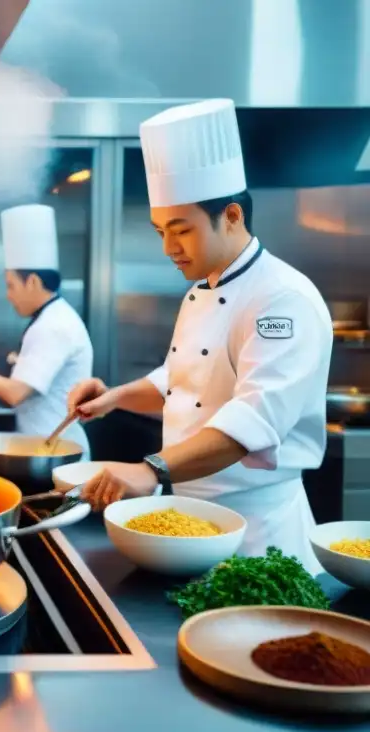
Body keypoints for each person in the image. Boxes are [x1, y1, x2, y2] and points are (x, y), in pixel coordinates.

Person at [68, 99, 332, 573]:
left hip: (258, 537)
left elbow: (253, 422)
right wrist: (115, 397)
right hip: (191, 525)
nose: (169, 247)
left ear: (231, 215)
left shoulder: (282, 299)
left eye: (181, 230)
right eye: (159, 231)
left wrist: (150, 469)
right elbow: (182, 383)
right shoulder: (201, 291)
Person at [0, 204, 93, 459]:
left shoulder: (53, 326)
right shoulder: (52, 318)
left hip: (58, 453)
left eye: (11, 285)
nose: (8, 296)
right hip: (46, 447)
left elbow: (16, 393)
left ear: (31, 281)